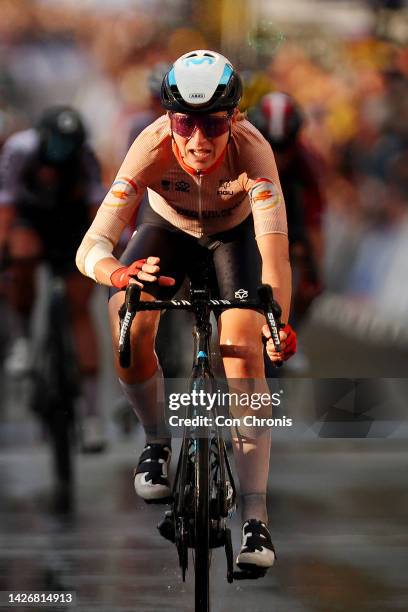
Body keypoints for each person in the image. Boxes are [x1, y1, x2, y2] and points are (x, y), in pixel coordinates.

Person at [76, 50, 297, 572]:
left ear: (234, 118)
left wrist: (278, 324)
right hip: (166, 230)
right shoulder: (150, 144)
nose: (199, 139)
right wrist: (119, 274)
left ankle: (255, 515)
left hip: (234, 239)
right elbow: (93, 246)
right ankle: (156, 441)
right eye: (185, 123)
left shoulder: (254, 151)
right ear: (169, 118)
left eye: (214, 123)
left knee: (241, 349)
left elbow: (275, 255)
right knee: (126, 319)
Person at [0, 105, 106, 452]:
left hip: (71, 224)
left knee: (79, 308)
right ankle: (22, 336)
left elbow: (99, 211)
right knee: (22, 256)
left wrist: (106, 251)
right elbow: (6, 205)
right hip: (30, 220)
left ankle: (91, 416)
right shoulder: (20, 150)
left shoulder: (86, 158)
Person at [248, 92, 325, 326]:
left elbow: (314, 221)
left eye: (284, 149)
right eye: (271, 147)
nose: (277, 158)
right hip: (242, 218)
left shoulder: (307, 163)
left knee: (312, 284)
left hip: (290, 221)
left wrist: (312, 271)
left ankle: (290, 331)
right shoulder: (237, 149)